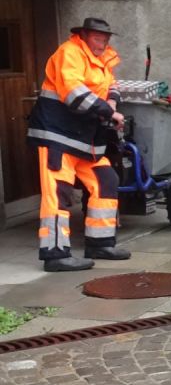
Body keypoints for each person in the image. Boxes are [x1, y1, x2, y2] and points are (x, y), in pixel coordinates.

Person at [26, 16, 131, 271]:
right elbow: (74, 94)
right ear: (83, 35)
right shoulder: (69, 53)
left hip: (86, 141)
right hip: (57, 136)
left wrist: (112, 101)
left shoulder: (101, 59)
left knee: (106, 181)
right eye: (97, 38)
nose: (102, 43)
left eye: (105, 39)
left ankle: (100, 243)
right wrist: (109, 112)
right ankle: (55, 255)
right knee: (58, 192)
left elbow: (111, 85)